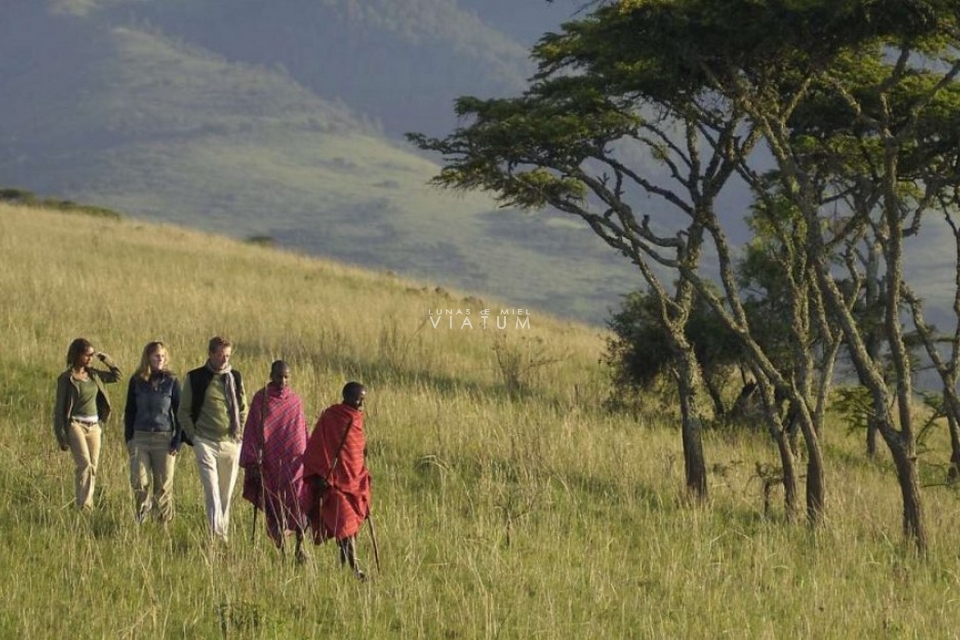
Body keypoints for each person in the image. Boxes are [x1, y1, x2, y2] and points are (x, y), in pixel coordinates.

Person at [178, 336, 247, 542]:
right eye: (219, 355)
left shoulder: (234, 377)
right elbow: (183, 411)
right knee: (212, 491)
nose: (224, 359)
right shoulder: (196, 377)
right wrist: (194, 437)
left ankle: (222, 533)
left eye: (227, 355)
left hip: (231, 442)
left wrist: (240, 433)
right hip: (205, 441)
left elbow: (243, 408)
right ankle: (216, 537)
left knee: (226, 494)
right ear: (210, 354)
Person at [240, 360, 310, 561]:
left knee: (300, 501)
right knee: (275, 503)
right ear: (271, 375)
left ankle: (300, 546)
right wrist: (252, 461)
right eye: (279, 376)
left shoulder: (295, 400)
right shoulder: (261, 399)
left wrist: (310, 456)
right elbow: (252, 431)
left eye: (286, 377)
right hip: (271, 463)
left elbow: (302, 430)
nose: (283, 380)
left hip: (295, 462)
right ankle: (282, 550)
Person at [303, 381, 372, 579]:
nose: (360, 404)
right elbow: (318, 446)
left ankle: (345, 566)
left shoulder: (357, 421)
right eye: (358, 399)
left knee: (350, 529)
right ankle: (354, 568)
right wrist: (321, 474)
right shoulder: (331, 417)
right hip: (334, 482)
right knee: (345, 523)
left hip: (354, 482)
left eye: (363, 400)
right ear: (347, 397)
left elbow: (357, 452)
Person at [54, 338, 122, 510]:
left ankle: (86, 505)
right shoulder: (66, 379)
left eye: (92, 355)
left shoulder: (94, 375)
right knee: (84, 464)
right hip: (75, 424)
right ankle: (84, 508)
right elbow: (59, 409)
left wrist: (106, 359)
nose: (90, 358)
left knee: (93, 467)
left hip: (94, 426)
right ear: (77, 355)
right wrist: (61, 435)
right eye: (87, 355)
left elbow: (117, 376)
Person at [123, 341, 184, 524]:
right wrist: (129, 438)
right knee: (139, 481)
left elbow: (179, 411)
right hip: (140, 437)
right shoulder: (136, 381)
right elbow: (130, 411)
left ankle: (162, 524)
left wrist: (177, 440)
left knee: (163, 486)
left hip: (163, 438)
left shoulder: (172, 381)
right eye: (157, 355)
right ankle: (142, 513)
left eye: (163, 356)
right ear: (148, 357)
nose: (160, 359)